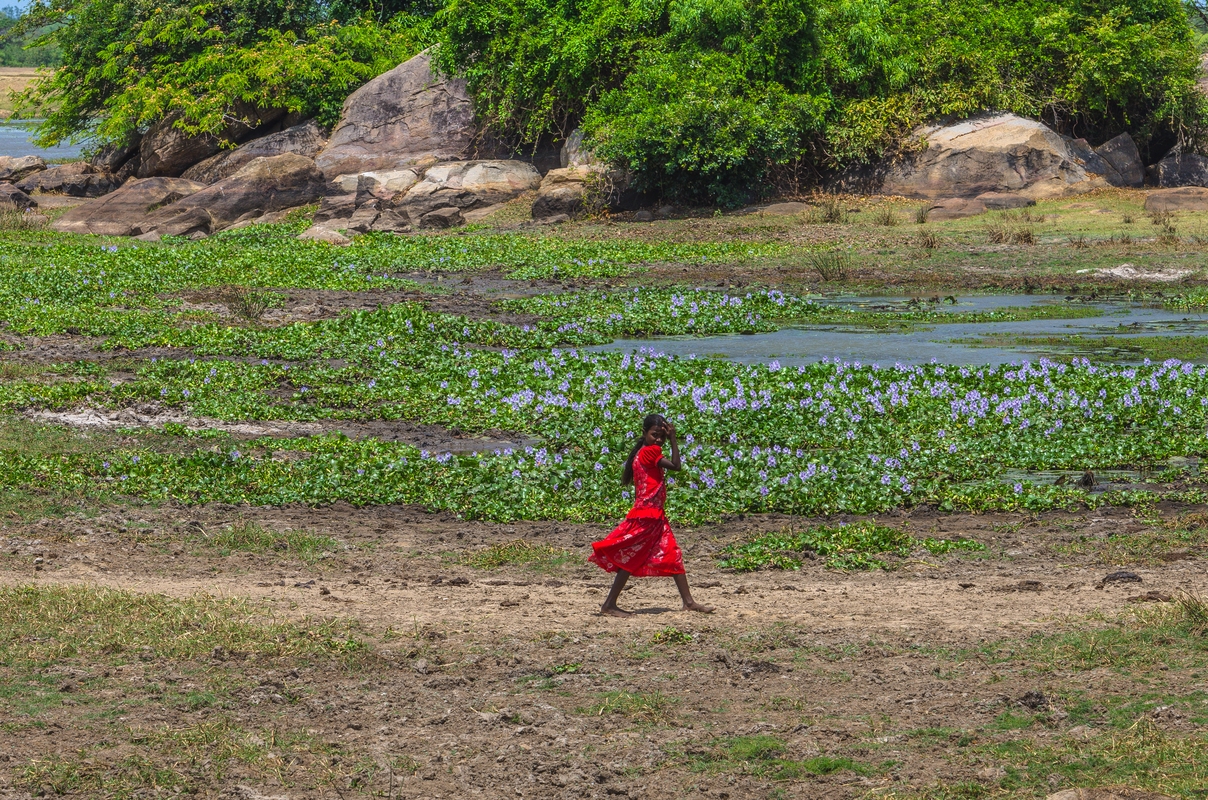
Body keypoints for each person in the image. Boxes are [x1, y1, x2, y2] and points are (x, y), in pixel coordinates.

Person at [589, 413, 714, 617]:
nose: (659, 440)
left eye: (662, 436)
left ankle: (689, 602)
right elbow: (676, 466)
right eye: (655, 435)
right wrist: (673, 439)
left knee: (672, 553)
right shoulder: (649, 452)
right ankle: (609, 604)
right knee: (632, 556)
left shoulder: (641, 452)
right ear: (645, 433)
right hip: (648, 516)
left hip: (653, 515)